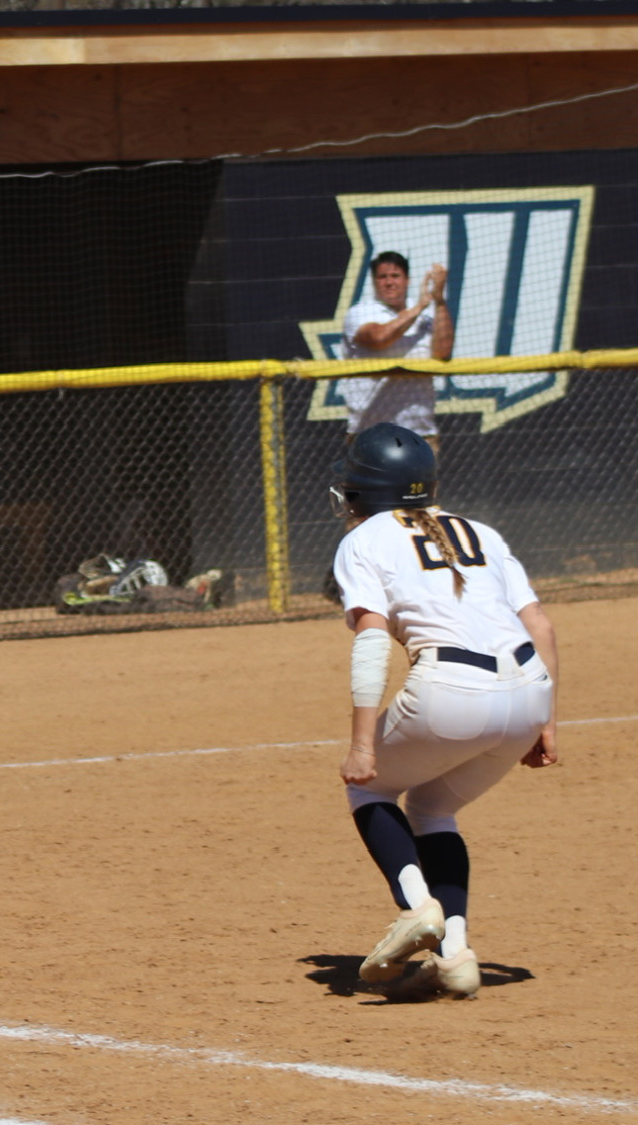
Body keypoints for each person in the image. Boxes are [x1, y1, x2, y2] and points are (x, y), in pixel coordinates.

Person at [330, 423, 556, 1001]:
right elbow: (540, 625)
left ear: (360, 494)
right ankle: (455, 955)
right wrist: (545, 723)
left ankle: (417, 909)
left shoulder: (362, 540)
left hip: (451, 689)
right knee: (431, 808)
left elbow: (373, 640)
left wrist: (362, 746)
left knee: (370, 789)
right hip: (530, 689)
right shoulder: (477, 529)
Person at [339, 252, 454, 454]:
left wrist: (439, 301)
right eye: (382, 277)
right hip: (370, 433)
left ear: (407, 280)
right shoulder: (361, 312)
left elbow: (442, 353)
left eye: (395, 276)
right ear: (374, 282)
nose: (389, 282)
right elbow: (379, 338)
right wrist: (419, 306)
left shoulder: (425, 317)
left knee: (423, 487)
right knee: (369, 487)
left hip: (419, 433)